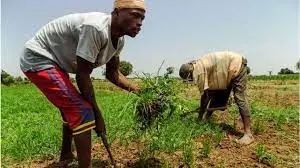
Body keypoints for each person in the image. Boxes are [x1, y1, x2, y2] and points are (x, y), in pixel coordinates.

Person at [20, 0, 146, 167]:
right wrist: (97, 114)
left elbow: (113, 74)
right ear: (116, 12)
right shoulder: (96, 28)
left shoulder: (119, 41)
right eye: (135, 16)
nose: (139, 23)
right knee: (82, 111)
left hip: (57, 62)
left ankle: (66, 154)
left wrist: (143, 91)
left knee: (72, 108)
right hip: (39, 57)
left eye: (142, 19)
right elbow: (83, 75)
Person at [179, 51, 254, 145]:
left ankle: (248, 134)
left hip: (236, 66)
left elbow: (205, 95)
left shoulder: (199, 72)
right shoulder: (198, 64)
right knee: (215, 95)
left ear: (189, 74)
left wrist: (200, 114)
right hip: (227, 70)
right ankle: (206, 120)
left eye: (189, 79)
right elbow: (211, 90)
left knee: (239, 97)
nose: (190, 81)